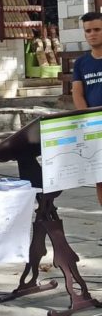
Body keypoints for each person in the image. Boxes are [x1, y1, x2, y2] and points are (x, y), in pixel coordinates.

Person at [72, 11, 102, 210]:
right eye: (88, 31)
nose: (92, 34)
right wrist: (88, 120)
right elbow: (77, 93)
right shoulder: (81, 63)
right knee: (100, 177)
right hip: (95, 127)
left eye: (97, 29)